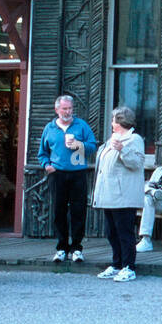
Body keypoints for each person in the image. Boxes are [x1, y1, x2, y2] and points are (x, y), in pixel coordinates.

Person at [37, 94, 98, 262]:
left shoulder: (81, 126)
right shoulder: (49, 128)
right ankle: (61, 248)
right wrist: (46, 165)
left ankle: (77, 248)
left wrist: (79, 145)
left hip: (78, 173)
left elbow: (93, 146)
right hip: (57, 174)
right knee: (59, 211)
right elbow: (42, 153)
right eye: (64, 108)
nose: (68, 111)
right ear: (57, 110)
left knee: (79, 211)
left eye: (70, 108)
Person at [92, 106, 146, 282]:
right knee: (111, 232)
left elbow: (136, 163)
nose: (112, 123)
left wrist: (123, 149)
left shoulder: (134, 139)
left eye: (114, 120)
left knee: (125, 232)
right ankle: (117, 264)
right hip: (109, 194)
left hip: (124, 195)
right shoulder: (113, 138)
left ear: (121, 121)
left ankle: (129, 267)